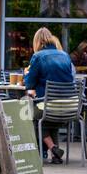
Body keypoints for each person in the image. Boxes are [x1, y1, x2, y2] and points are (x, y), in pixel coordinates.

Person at [24, 27, 76, 163]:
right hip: (69, 106)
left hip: (49, 106)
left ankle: (52, 147)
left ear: (37, 42)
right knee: (48, 117)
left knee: (28, 115)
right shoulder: (64, 55)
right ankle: (56, 155)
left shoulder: (38, 57)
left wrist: (26, 75)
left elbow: (29, 84)